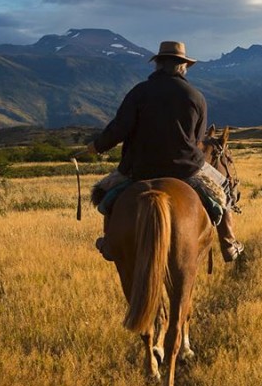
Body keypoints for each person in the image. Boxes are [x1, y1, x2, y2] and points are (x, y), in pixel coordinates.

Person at [86, 40, 243, 262]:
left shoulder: (138, 93)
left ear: (158, 64)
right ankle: (229, 244)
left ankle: (110, 242)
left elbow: (119, 128)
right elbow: (197, 139)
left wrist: (96, 146)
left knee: (104, 193)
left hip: (138, 169)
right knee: (223, 188)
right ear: (183, 66)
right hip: (186, 170)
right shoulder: (195, 96)